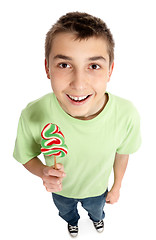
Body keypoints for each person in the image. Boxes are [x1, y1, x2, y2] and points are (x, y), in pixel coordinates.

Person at [13, 12, 141, 237]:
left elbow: (123, 152)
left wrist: (117, 186)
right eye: (64, 64)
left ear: (110, 70)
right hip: (62, 192)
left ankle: (97, 219)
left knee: (97, 210)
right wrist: (43, 171)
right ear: (47, 69)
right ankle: (72, 222)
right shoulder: (33, 113)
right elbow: (25, 156)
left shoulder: (126, 114)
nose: (79, 84)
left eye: (93, 66)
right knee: (66, 212)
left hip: (97, 191)